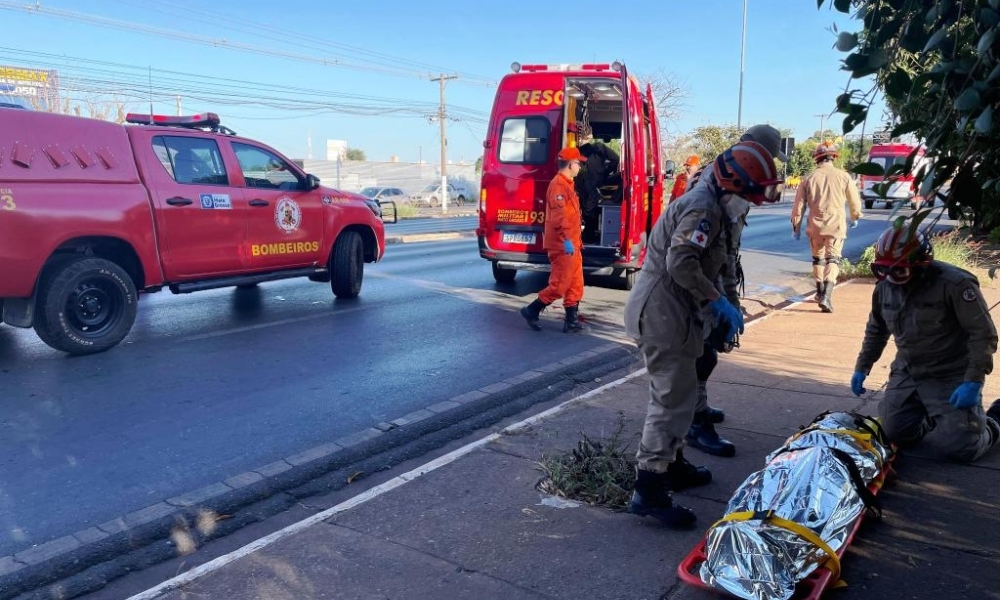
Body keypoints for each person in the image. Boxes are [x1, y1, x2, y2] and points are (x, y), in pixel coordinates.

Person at [624, 140, 783, 528]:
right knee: (671, 403)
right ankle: (649, 490)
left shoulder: (718, 204)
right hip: (663, 315)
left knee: (682, 397)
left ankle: (672, 466)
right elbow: (681, 264)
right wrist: (716, 301)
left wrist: (729, 305)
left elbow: (721, 263)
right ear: (735, 184)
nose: (751, 204)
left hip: (678, 314)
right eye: (750, 194)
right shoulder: (704, 207)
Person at [851, 222, 1000, 462]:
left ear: (921, 265)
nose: (890, 278)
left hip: (950, 372)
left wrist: (973, 380)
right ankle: (935, 415)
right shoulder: (885, 287)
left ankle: (994, 422)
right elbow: (876, 329)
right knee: (894, 434)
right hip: (908, 370)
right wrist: (863, 366)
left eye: (899, 271)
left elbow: (983, 334)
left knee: (961, 449)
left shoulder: (955, 284)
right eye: (882, 269)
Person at [684, 124, 787, 458]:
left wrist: (731, 297)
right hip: (697, 276)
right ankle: (694, 421)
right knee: (700, 353)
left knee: (709, 348)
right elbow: (699, 252)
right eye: (769, 155)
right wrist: (719, 298)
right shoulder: (725, 178)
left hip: (712, 269)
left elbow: (728, 249)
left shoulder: (738, 172)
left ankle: (697, 406)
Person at [520, 146, 587, 333]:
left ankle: (571, 322)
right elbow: (559, 218)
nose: (580, 166)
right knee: (559, 285)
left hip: (572, 243)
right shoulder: (558, 185)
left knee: (575, 284)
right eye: (579, 163)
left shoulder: (567, 184)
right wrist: (567, 240)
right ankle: (531, 310)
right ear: (571, 164)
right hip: (562, 245)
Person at [790, 143, 863, 313]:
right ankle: (827, 296)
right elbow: (854, 201)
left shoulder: (808, 178)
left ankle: (819, 291)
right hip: (836, 225)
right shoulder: (844, 176)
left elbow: (798, 206)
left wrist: (796, 227)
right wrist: (855, 216)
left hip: (815, 226)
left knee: (818, 259)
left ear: (817, 158)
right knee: (833, 259)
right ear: (833, 157)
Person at [577, 132, 620, 244]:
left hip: (585, 186)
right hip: (593, 185)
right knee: (590, 211)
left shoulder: (580, 151)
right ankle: (589, 236)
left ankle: (588, 236)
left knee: (587, 211)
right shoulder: (599, 149)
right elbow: (616, 159)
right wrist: (605, 172)